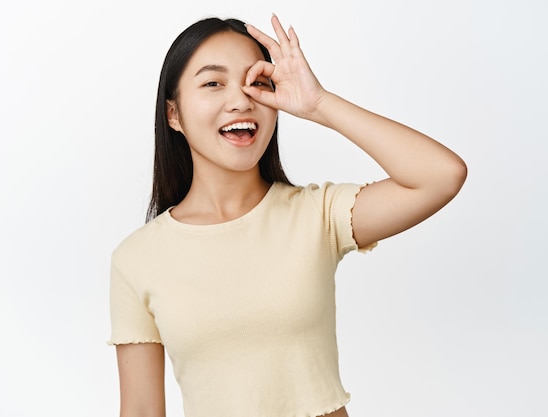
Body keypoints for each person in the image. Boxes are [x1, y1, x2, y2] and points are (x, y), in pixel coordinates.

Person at [108, 14, 467, 417]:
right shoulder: (137, 259)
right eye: (213, 83)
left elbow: (441, 176)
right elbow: (139, 409)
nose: (241, 100)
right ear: (173, 114)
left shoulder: (317, 216)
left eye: (257, 82)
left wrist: (319, 104)